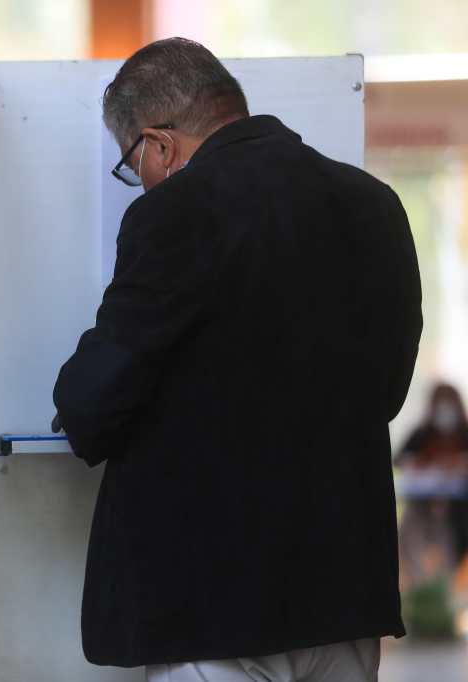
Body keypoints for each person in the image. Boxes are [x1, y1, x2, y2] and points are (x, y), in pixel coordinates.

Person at [53, 38, 422, 681]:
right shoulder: (374, 203)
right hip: (344, 591)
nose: (139, 179)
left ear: (159, 145)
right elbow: (388, 389)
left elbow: (99, 392)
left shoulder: (177, 211)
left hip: (213, 603)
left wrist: (76, 402)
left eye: (132, 164)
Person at [395, 383, 468, 588]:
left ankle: (449, 587)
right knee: (411, 534)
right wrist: (420, 463)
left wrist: (458, 464)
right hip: (421, 507)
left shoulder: (464, 434)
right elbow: (400, 459)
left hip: (457, 513)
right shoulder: (422, 433)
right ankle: (419, 585)